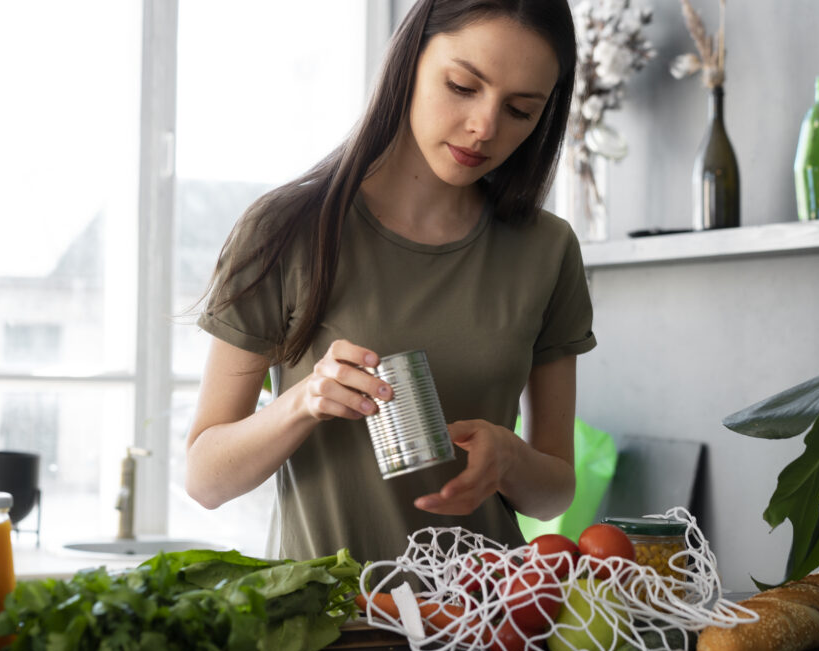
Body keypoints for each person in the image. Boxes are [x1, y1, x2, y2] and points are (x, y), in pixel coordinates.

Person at [186, 0, 595, 565]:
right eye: (461, 86)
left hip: (485, 624)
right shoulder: (285, 230)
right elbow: (205, 479)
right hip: (330, 627)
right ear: (409, 61)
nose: (485, 128)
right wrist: (303, 402)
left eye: (521, 110)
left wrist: (510, 458)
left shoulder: (546, 250)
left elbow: (554, 493)